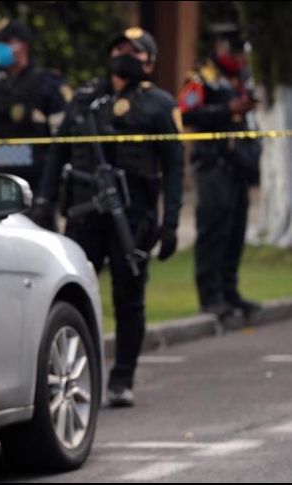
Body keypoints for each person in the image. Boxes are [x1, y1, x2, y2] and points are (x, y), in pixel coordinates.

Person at [37, 28, 184, 407]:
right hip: (85, 213)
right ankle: (73, 373)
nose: (123, 55)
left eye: (134, 52)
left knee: (128, 298)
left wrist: (170, 224)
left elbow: (174, 165)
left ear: (149, 62)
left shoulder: (160, 104)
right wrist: (45, 202)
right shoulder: (85, 100)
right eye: (119, 48)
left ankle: (122, 380)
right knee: (69, 294)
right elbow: (58, 153)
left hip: (133, 218)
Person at [178, 21, 262, 319]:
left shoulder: (240, 79)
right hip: (211, 166)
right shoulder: (202, 79)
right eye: (233, 50)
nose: (238, 58)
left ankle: (230, 291)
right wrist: (229, 109)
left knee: (235, 231)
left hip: (237, 165)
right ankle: (210, 296)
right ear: (219, 47)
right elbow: (185, 114)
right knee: (213, 231)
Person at [0, 18, 70, 201]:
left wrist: (50, 192)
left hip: (34, 185)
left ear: (23, 46)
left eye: (6, 43)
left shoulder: (46, 85)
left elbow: (63, 141)